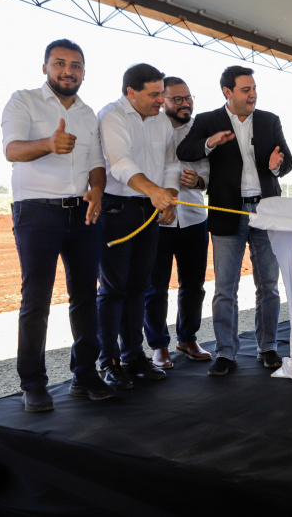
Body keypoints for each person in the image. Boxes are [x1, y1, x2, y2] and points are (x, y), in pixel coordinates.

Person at [1, 39, 116, 411]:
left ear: (84, 72)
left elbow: (97, 163)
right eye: (60, 63)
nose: (68, 71)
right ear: (45, 67)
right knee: (36, 299)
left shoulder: (88, 113)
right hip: (36, 212)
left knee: (86, 297)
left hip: (83, 213)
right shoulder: (23, 100)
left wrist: (97, 190)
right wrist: (49, 143)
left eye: (76, 65)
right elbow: (12, 150)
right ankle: (33, 383)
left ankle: (85, 375)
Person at [178, 66, 292, 376]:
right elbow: (184, 149)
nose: (253, 94)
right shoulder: (208, 121)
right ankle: (226, 352)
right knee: (225, 288)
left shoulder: (269, 120)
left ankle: (268, 347)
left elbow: (287, 164)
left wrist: (276, 166)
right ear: (227, 92)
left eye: (254, 88)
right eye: (246, 89)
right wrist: (209, 142)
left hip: (265, 212)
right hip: (227, 212)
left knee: (268, 285)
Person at [97, 63, 179, 388]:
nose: (161, 100)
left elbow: (172, 163)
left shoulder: (162, 121)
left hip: (149, 210)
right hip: (116, 210)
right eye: (154, 94)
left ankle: (133, 357)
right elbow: (120, 163)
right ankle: (109, 361)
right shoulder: (112, 116)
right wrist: (156, 192)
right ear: (131, 92)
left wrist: (169, 195)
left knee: (138, 287)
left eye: (162, 93)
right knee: (113, 289)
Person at [143, 77, 212, 368]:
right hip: (157, 219)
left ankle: (187, 338)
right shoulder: (150, 128)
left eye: (189, 98)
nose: (186, 104)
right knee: (155, 287)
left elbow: (211, 171)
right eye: (178, 99)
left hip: (194, 218)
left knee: (194, 285)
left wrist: (199, 180)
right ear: (163, 101)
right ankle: (159, 345)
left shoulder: (202, 131)